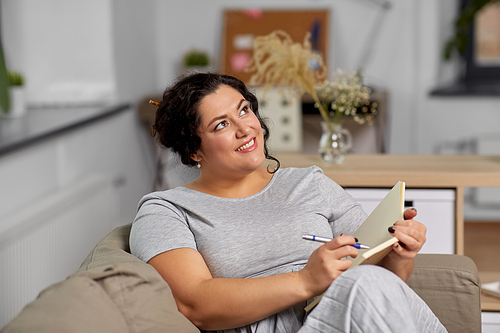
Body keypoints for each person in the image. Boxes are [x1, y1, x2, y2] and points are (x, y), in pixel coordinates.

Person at [130, 73, 447, 333]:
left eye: (244, 110)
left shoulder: (310, 182)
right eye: (221, 125)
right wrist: (306, 280)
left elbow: (383, 288)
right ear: (194, 150)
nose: (245, 129)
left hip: (359, 315)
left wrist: (400, 254)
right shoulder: (166, 209)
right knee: (363, 283)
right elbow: (194, 304)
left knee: (369, 282)